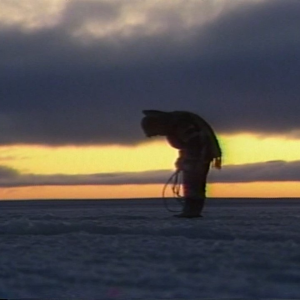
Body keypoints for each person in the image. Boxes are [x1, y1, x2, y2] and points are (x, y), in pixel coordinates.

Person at [141, 110, 222, 218]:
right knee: (192, 183)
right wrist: (182, 159)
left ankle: (192, 212)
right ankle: (191, 210)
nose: (158, 135)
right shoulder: (174, 123)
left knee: (194, 182)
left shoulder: (181, 124)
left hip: (201, 155)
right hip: (198, 154)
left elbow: (195, 143)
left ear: (158, 125)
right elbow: (187, 145)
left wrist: (186, 161)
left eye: (156, 132)